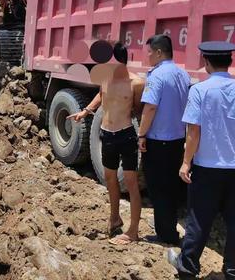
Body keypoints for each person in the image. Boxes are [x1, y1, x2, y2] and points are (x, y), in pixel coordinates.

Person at [168, 41, 235, 280]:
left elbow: (193, 132)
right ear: (229, 61)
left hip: (207, 168)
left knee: (198, 221)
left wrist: (186, 162)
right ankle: (232, 270)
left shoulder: (200, 91)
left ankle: (187, 268)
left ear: (206, 62)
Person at [69, 42, 145, 245]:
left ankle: (134, 231)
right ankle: (114, 218)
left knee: (130, 183)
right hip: (107, 135)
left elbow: (138, 108)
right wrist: (85, 111)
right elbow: (101, 96)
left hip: (126, 135)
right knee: (110, 178)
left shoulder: (136, 83)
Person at [138, 34, 190, 245]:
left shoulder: (156, 76)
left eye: (149, 52)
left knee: (158, 188)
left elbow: (150, 107)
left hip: (158, 142)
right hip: (177, 139)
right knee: (171, 187)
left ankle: (165, 235)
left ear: (159, 52)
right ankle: (170, 227)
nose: (148, 56)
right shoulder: (183, 74)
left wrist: (141, 134)